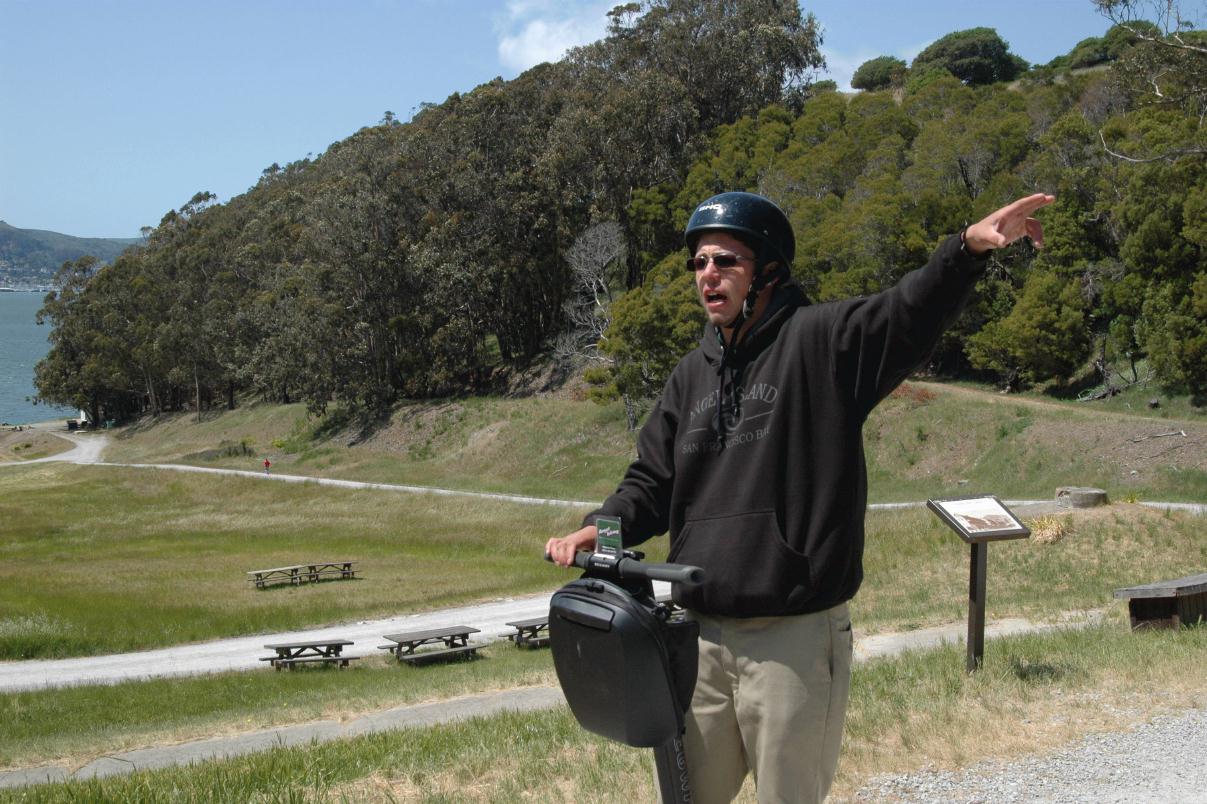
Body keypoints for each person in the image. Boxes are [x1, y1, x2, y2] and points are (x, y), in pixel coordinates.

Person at [546, 190, 1054, 803]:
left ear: (767, 272)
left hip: (792, 640)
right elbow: (649, 483)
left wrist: (965, 251)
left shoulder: (823, 342)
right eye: (700, 262)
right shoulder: (689, 377)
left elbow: (907, 312)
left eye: (726, 260)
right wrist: (599, 531)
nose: (708, 274)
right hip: (700, 637)